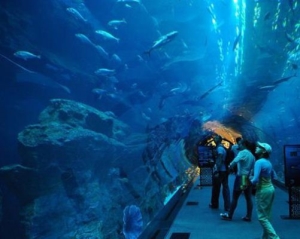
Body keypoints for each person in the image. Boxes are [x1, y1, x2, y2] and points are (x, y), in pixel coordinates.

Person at [250, 142, 280, 239]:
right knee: (267, 215)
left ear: (263, 151)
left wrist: (247, 181)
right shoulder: (268, 162)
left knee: (262, 217)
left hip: (263, 190)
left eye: (259, 147)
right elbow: (274, 177)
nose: (256, 147)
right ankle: (265, 237)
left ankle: (275, 237)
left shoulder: (259, 162)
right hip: (270, 189)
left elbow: (255, 180)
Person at [220, 139, 255, 221]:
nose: (238, 146)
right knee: (248, 198)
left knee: (235, 197)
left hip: (241, 177)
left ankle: (229, 215)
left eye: (239, 144)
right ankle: (248, 216)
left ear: (243, 144)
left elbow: (234, 161)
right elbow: (253, 167)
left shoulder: (242, 153)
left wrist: (229, 167)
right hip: (247, 177)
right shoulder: (251, 155)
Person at [209, 135, 230, 211]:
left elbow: (220, 159)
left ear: (220, 140)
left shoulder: (220, 148)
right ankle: (227, 206)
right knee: (225, 188)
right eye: (214, 138)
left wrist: (217, 170)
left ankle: (214, 204)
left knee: (216, 188)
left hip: (220, 171)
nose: (214, 139)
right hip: (224, 170)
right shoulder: (221, 147)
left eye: (216, 138)